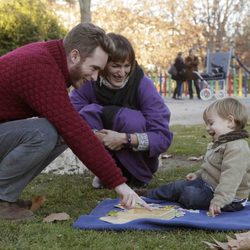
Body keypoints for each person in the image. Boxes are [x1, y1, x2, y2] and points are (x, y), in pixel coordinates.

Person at [0, 23, 149, 220]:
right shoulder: (40, 66)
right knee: (45, 132)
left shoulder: (49, 61)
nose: (95, 77)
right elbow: (73, 129)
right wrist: (120, 185)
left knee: (58, 132)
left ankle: (6, 197)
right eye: (94, 68)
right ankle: (2, 201)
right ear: (75, 56)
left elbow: (70, 126)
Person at [70, 33, 173, 189]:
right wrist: (95, 136)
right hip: (103, 148)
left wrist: (125, 139)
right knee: (89, 112)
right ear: (104, 64)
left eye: (127, 65)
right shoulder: (90, 80)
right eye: (116, 66)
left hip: (138, 155)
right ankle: (106, 173)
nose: (122, 72)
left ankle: (138, 175)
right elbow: (71, 117)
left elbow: (162, 137)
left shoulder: (143, 85)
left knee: (130, 119)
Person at [142, 98, 250, 217]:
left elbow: (231, 178)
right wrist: (198, 174)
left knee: (189, 195)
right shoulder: (221, 142)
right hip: (209, 185)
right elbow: (212, 166)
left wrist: (219, 201)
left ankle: (182, 196)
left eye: (211, 123)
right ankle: (147, 195)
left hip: (229, 198)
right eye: (206, 124)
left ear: (230, 121)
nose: (207, 128)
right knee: (177, 186)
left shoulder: (237, 148)